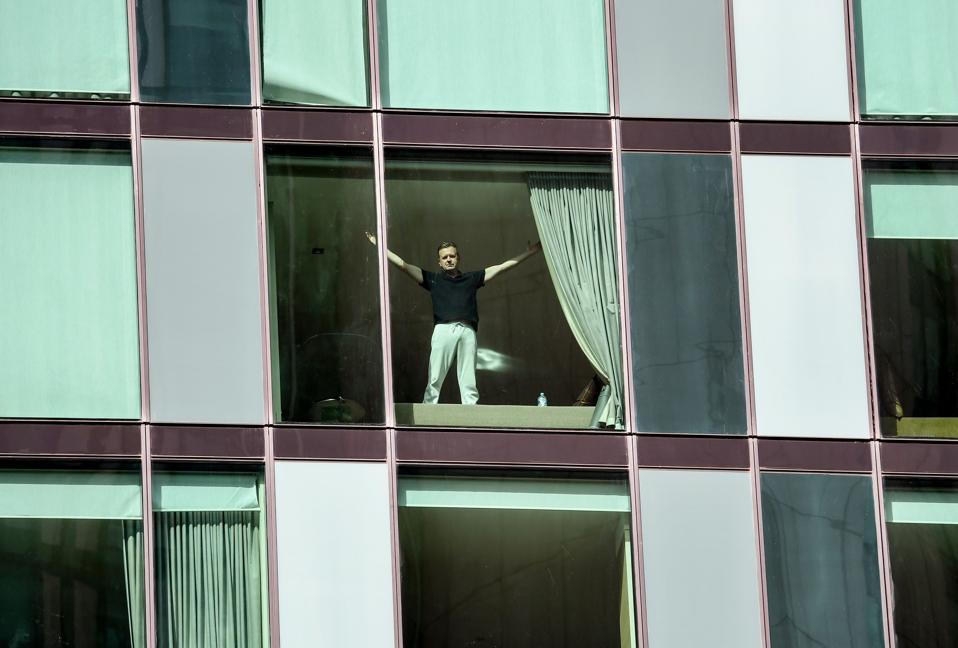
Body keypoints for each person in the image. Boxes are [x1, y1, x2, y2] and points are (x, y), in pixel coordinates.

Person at [365, 232, 541, 404]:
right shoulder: (433, 279)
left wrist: (529, 253)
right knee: (435, 374)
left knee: (468, 377)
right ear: (439, 262)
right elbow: (403, 265)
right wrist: (379, 245)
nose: (448, 259)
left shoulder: (471, 278)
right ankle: (429, 409)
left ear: (458, 258)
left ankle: (471, 410)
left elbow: (501, 267)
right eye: (444, 257)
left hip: (467, 330)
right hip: (444, 329)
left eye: (452, 256)